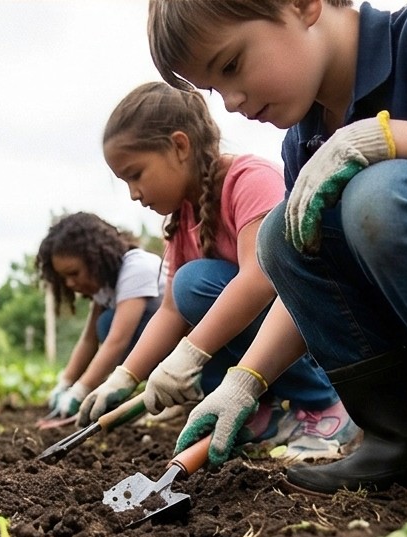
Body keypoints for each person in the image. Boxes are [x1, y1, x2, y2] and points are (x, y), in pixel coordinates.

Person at [148, 0, 407, 536]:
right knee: (284, 234)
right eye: (215, 89)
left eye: (231, 66)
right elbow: (312, 279)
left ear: (303, 5)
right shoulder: (304, 140)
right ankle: (405, 443)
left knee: (378, 195)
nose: (232, 101)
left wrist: (388, 140)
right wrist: (245, 380)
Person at [81, 81, 358, 464]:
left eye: (136, 174)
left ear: (179, 146)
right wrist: (125, 377)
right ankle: (266, 413)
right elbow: (170, 312)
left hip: (317, 327)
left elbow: (260, 278)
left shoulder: (249, 179)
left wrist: (188, 355)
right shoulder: (182, 219)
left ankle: (325, 405)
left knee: (196, 285)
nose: (133, 193)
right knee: (188, 297)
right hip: (270, 346)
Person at [38, 212, 165, 419]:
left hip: (181, 342)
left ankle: (168, 398)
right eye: (63, 277)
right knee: (102, 324)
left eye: (74, 273)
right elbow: (89, 340)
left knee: (107, 323)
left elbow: (118, 340)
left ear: (95, 260)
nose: (69, 283)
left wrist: (81, 390)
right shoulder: (104, 286)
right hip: (154, 348)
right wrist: (65, 383)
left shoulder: (136, 268)